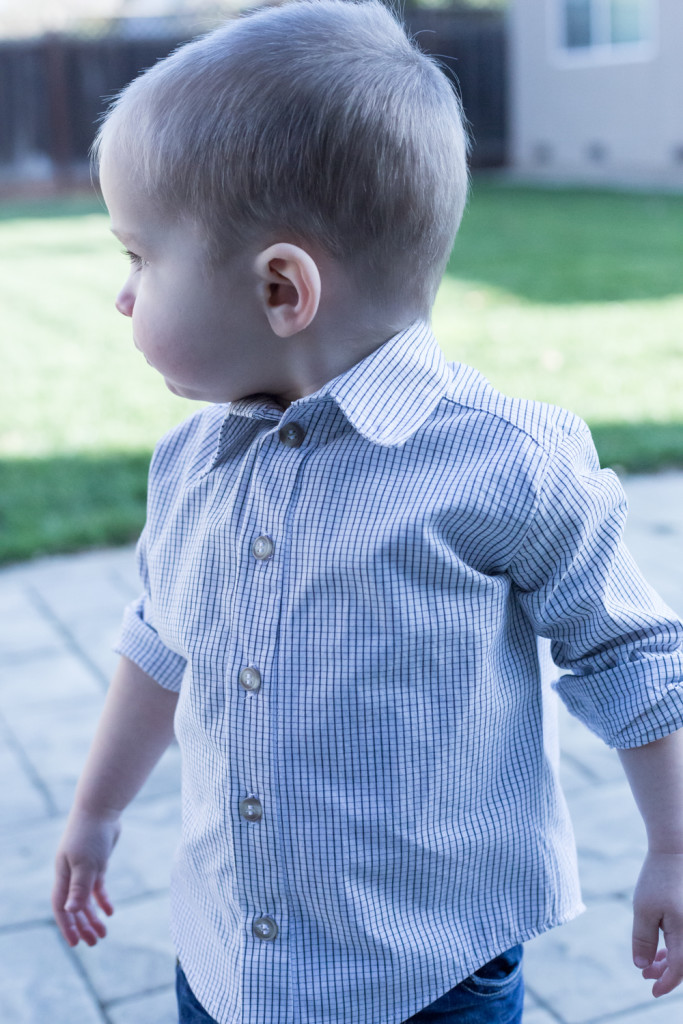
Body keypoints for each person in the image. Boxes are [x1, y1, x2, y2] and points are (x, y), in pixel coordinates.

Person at [51, 2, 683, 1022]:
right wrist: (92, 811)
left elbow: (631, 654)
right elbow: (158, 638)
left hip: (426, 968)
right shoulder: (191, 465)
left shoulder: (501, 462)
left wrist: (669, 846)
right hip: (231, 955)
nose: (124, 297)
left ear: (280, 288)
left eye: (139, 257)